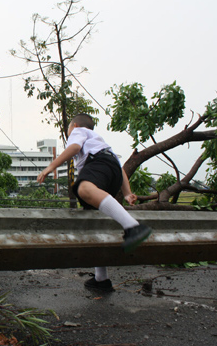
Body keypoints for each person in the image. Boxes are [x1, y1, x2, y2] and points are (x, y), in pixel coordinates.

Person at [37, 114, 152, 292]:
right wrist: (127, 193)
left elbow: (74, 148)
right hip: (110, 173)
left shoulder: (78, 131)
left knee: (83, 189)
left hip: (98, 166)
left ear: (74, 126)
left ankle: (132, 227)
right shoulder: (100, 142)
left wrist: (50, 167)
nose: (69, 134)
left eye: (68, 130)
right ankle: (101, 279)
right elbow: (120, 168)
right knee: (94, 222)